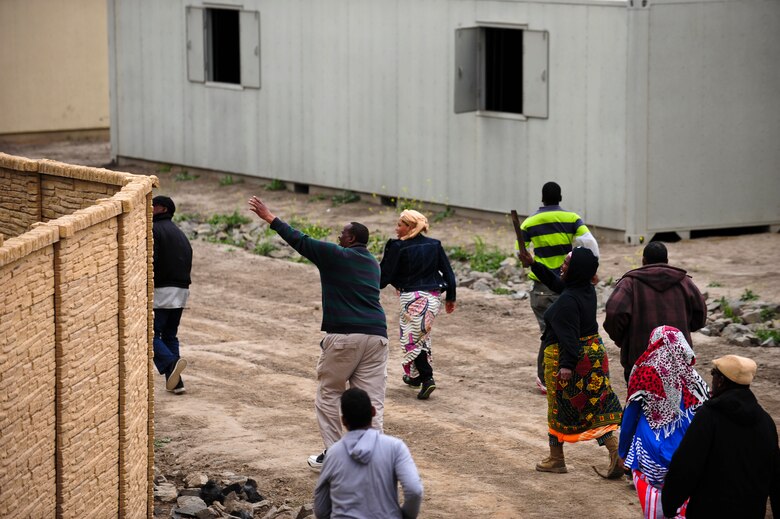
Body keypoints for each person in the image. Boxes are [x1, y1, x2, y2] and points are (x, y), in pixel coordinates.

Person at [248, 195, 389, 472]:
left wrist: (269, 217)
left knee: (329, 394)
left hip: (345, 337)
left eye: (342, 233)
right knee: (371, 400)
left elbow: (301, 241)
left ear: (350, 239)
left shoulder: (337, 255)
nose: (338, 236)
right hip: (377, 337)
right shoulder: (373, 264)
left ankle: (337, 456)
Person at [519, 247, 623, 477]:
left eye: (566, 263)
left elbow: (569, 339)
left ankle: (556, 458)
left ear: (575, 270)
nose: (561, 266)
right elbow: (558, 283)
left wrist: (566, 366)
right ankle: (616, 453)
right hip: (594, 354)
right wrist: (533, 264)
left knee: (558, 408)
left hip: (570, 358)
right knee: (592, 408)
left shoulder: (566, 302)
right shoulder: (585, 289)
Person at [662, 354, 780, 518]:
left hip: (709, 510)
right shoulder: (766, 422)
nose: (712, 379)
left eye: (713, 373)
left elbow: (686, 465)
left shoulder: (709, 416)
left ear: (721, 381)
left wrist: (670, 504)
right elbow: (775, 474)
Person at [618, 325, 710, 519]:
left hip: (652, 455)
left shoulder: (645, 372)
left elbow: (630, 416)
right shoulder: (694, 377)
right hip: (687, 454)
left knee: (653, 498)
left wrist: (623, 452)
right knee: (683, 499)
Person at [518, 181, 599, 394]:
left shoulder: (529, 223)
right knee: (571, 330)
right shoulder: (572, 218)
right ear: (560, 197)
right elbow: (589, 244)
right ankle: (565, 373)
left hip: (542, 287)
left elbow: (522, 253)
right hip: (571, 283)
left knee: (549, 332)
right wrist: (591, 267)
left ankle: (547, 377)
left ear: (542, 198)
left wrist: (531, 261)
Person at [379, 209, 457, 400]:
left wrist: (377, 285)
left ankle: (427, 378)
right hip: (432, 299)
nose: (397, 229)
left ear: (410, 227)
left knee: (412, 339)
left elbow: (384, 276)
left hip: (412, 299)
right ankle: (415, 377)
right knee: (420, 335)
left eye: (400, 225)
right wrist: (450, 298)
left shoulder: (398, 247)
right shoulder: (434, 245)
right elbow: (448, 273)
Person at [603, 241, 707, 383]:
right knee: (677, 404)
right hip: (678, 361)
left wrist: (622, 339)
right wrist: (684, 330)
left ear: (643, 260)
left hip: (640, 363)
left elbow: (614, 313)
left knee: (642, 404)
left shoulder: (630, 283)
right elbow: (700, 314)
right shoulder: (684, 282)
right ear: (667, 261)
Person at [314, 388, 423, 519]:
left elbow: (320, 508)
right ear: (373, 411)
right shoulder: (395, 447)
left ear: (343, 421)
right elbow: (414, 490)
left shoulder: (333, 454)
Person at [152, 195, 192, 394]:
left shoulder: (154, 230)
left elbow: (152, 260)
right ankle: (176, 383)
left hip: (161, 291)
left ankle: (171, 361)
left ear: (162, 209)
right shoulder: (180, 233)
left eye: (153, 206)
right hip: (182, 291)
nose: (149, 209)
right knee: (169, 335)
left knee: (149, 335)